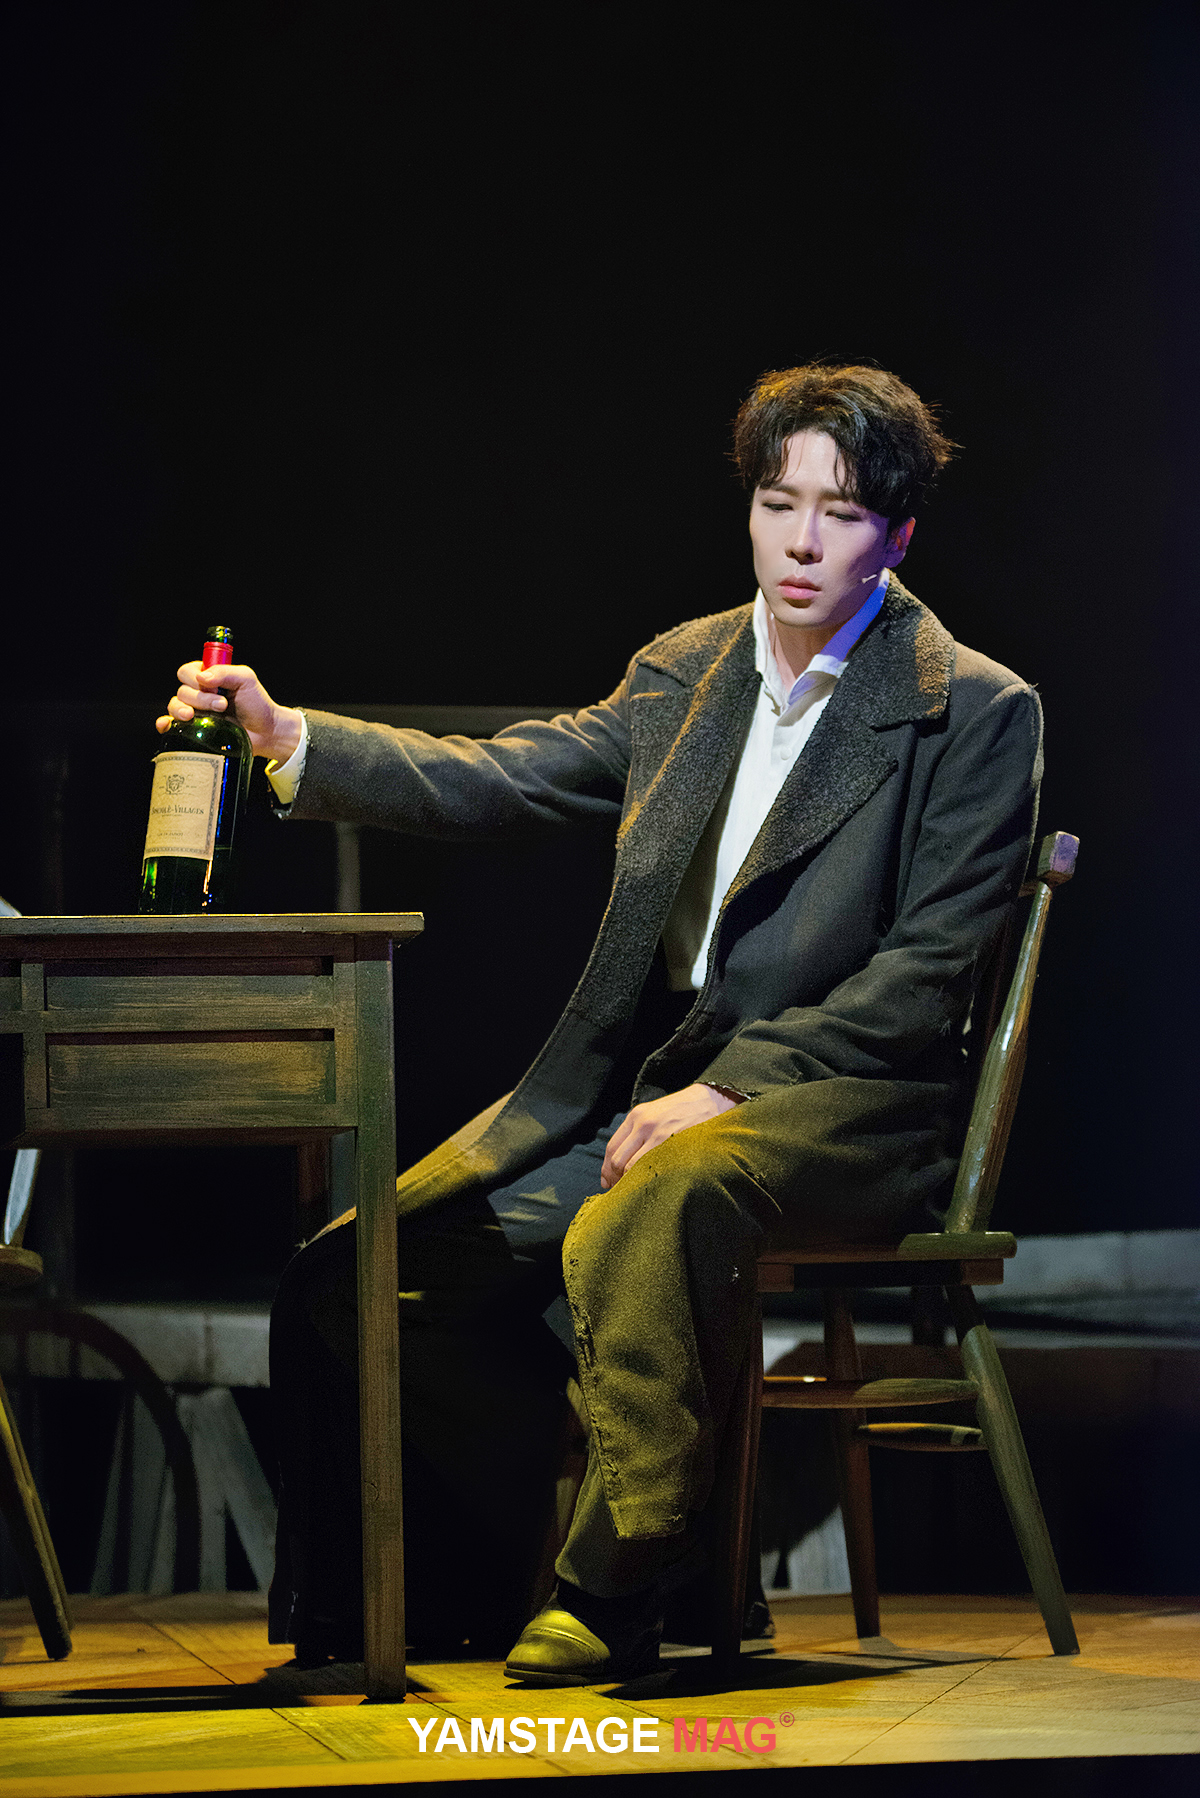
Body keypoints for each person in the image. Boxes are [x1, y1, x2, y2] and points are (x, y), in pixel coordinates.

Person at [159, 363, 1042, 1687]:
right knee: (368, 1276)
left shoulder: (968, 705)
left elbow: (927, 975)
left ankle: (621, 1584)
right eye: (779, 504)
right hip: (652, 1098)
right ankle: (438, 1599)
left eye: (844, 513)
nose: (803, 542)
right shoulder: (688, 670)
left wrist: (730, 1089)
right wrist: (290, 738)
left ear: (899, 534)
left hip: (852, 1107)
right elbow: (506, 776)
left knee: (661, 1197)